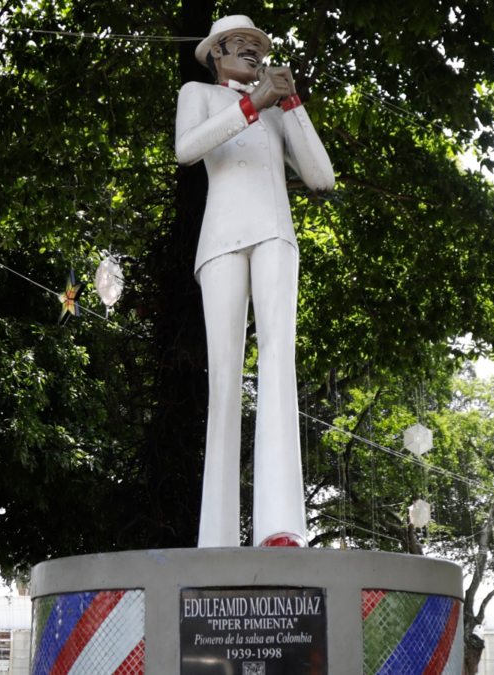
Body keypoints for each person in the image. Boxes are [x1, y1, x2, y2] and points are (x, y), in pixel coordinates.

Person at [175, 14, 334, 548]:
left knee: (277, 360)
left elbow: (321, 177)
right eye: (239, 44)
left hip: (274, 234)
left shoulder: (274, 107)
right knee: (223, 378)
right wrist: (251, 104)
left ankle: (281, 523)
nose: (250, 52)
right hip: (220, 237)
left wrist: (289, 104)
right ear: (217, 52)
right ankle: (216, 533)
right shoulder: (197, 92)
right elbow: (186, 149)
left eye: (257, 45)